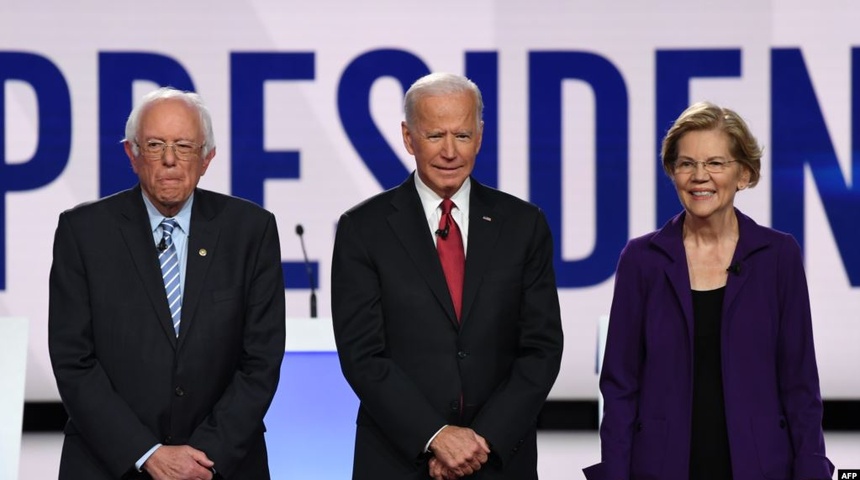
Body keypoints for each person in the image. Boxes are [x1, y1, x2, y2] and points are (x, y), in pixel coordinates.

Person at [331, 72, 564, 480]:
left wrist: (483, 439)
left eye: (463, 135)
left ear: (480, 135)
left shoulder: (524, 224)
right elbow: (363, 355)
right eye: (435, 135)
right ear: (408, 138)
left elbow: (541, 348)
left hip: (497, 459)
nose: (450, 152)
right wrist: (434, 436)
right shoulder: (362, 229)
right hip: (399, 459)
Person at [583, 102, 834, 479]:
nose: (700, 176)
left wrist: (811, 469)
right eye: (686, 164)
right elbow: (620, 386)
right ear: (672, 172)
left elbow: (800, 383)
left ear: (744, 175)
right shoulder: (642, 259)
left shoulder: (778, 256)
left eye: (715, 163)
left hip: (760, 467)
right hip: (661, 467)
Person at [48, 87, 286, 480]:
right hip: (110, 463)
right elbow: (73, 361)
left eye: (184, 146)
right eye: (155, 145)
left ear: (207, 157)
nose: (171, 160)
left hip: (221, 465)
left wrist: (204, 454)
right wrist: (147, 453)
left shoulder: (251, 231)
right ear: (131, 153)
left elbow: (261, 360)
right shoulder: (84, 233)